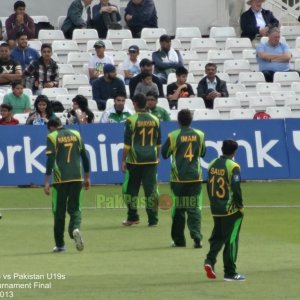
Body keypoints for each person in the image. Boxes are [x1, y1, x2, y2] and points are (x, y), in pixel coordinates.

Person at [44, 118, 91, 253]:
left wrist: (47, 181)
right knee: (75, 208)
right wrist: (87, 177)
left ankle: (60, 245)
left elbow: (51, 159)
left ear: (52, 127)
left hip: (60, 180)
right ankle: (74, 229)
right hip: (77, 177)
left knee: (59, 212)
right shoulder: (76, 134)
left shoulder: (52, 137)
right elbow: (84, 156)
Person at [161, 109, 206, 248]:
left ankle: (179, 240)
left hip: (178, 179)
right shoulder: (200, 134)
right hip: (195, 177)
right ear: (191, 120)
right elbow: (203, 153)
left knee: (178, 210)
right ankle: (197, 237)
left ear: (179, 121)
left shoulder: (173, 136)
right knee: (193, 208)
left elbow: (164, 154)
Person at [204, 140, 245, 281]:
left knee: (218, 237)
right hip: (230, 210)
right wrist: (240, 207)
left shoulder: (212, 164)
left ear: (221, 149)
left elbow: (208, 186)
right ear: (234, 152)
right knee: (231, 240)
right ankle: (230, 272)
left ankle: (209, 261)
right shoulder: (233, 166)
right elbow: (236, 188)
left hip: (216, 208)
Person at [121, 93, 161, 227]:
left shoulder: (131, 120)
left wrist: (123, 160)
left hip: (135, 160)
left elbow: (127, 144)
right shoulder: (155, 119)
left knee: (131, 190)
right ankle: (153, 220)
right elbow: (159, 142)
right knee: (151, 191)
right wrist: (158, 156)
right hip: (151, 159)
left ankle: (133, 217)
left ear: (136, 104)